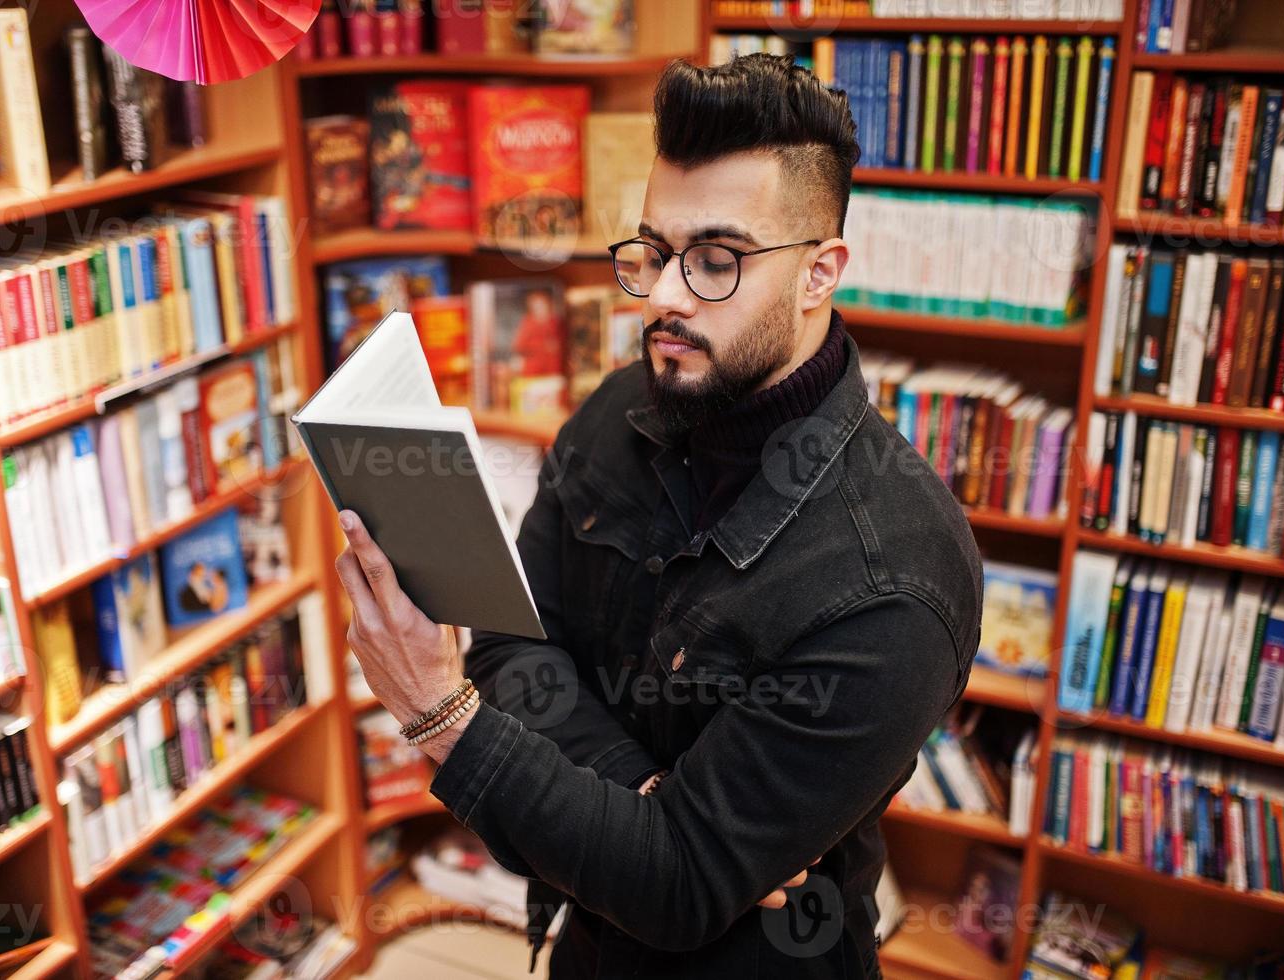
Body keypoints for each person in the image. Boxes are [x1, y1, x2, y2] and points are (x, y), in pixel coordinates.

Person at [334, 53, 984, 979]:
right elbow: (513, 648)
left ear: (818, 273)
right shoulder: (614, 410)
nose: (665, 295)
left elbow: (675, 890)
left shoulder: (895, 581)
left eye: (716, 261)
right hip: (581, 950)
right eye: (653, 251)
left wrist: (442, 718)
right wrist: (645, 804)